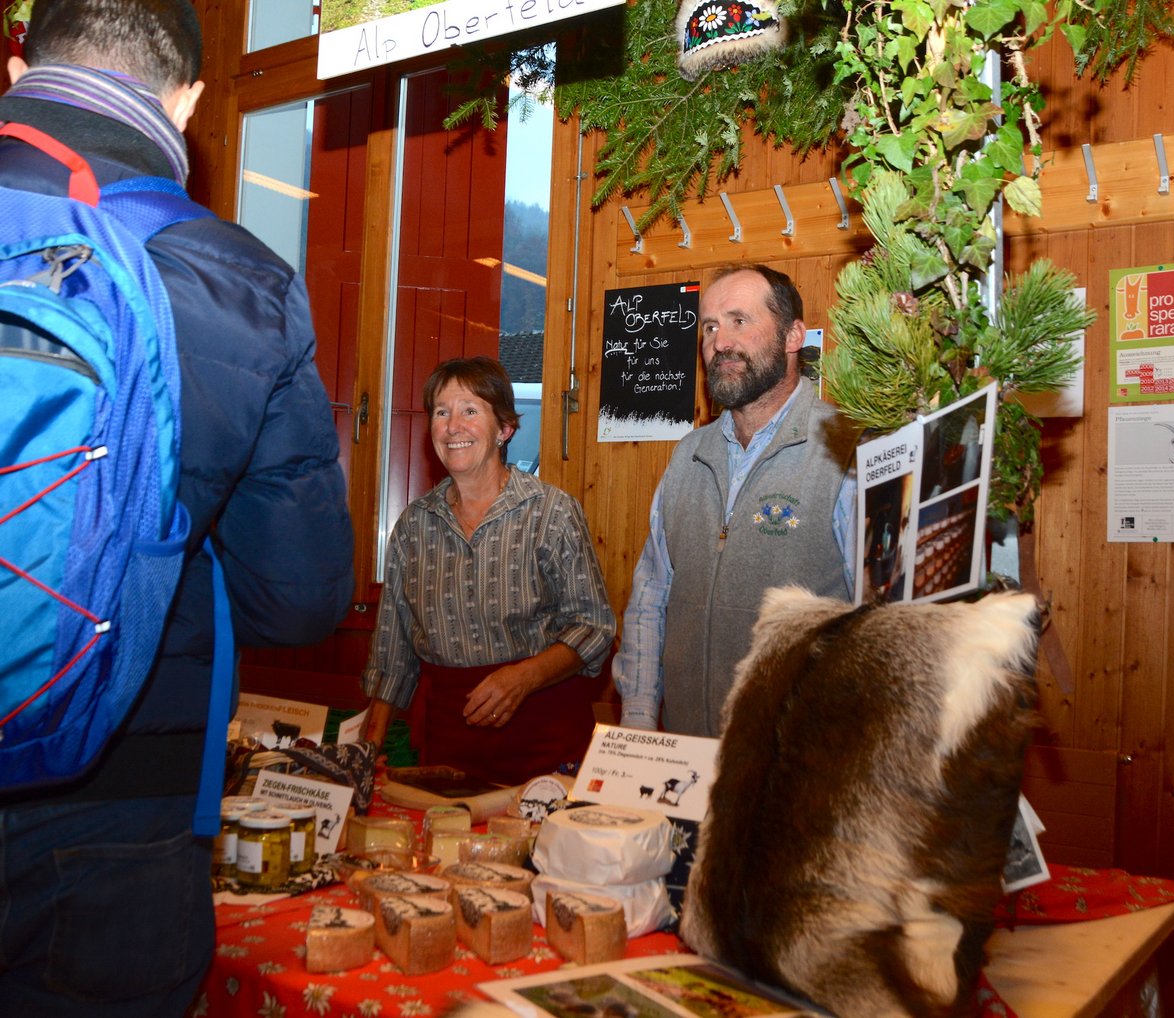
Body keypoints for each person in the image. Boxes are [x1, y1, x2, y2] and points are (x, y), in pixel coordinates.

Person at [0, 2, 354, 1016]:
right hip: (117, 813)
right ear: (190, 101)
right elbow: (300, 603)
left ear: (21, 58)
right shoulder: (239, 278)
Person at [613, 264, 859, 737]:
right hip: (687, 760)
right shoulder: (688, 456)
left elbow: (880, 619)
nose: (720, 341)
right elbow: (650, 601)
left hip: (798, 768)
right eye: (709, 326)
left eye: (739, 321)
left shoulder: (846, 452)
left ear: (793, 336)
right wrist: (638, 725)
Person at [361, 357, 615, 787]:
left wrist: (524, 676)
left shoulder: (551, 512)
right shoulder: (413, 526)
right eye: (441, 412)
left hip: (543, 740)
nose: (452, 426)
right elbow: (393, 651)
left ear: (504, 429)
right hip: (448, 745)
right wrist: (368, 749)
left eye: (470, 410)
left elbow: (594, 627)